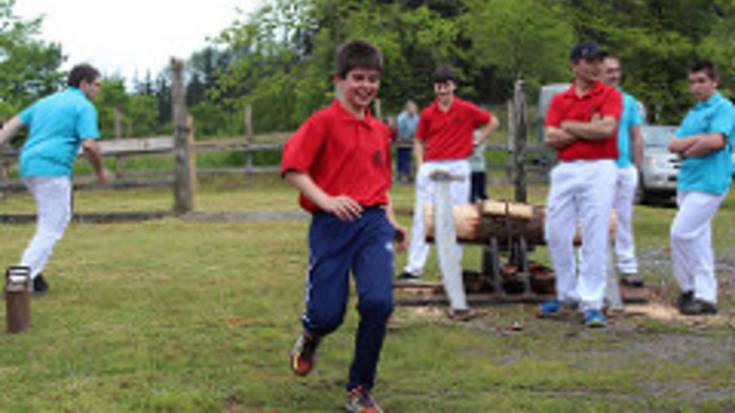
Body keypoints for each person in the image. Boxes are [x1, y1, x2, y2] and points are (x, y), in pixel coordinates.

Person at [280, 39, 408, 413]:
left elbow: (380, 185)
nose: (365, 86)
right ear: (339, 79)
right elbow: (293, 169)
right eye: (357, 78)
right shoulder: (322, 123)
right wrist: (328, 201)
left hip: (372, 225)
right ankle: (309, 336)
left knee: (378, 303)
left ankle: (359, 390)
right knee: (327, 314)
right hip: (331, 225)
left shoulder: (380, 131)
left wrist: (392, 221)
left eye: (372, 79)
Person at [398, 65, 498, 319]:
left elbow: (492, 121)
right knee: (424, 215)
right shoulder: (428, 113)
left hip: (458, 165)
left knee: (455, 216)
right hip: (432, 165)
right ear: (435, 88)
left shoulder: (465, 109)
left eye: (446, 84)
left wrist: (477, 140)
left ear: (454, 86)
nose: (442, 89)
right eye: (438, 84)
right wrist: (421, 165)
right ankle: (414, 267)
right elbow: (419, 140)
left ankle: (451, 267)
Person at [0, 63, 109, 293]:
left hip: (28, 165)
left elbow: (10, 127)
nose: (98, 90)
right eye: (97, 85)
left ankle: (34, 275)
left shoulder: (45, 102)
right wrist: (100, 171)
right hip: (51, 168)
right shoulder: (83, 106)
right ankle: (22, 279)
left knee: (52, 220)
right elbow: (89, 145)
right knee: (52, 225)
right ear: (84, 84)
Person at [539, 41, 622, 328]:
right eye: (589, 61)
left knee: (594, 232)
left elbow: (606, 129)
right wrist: (586, 127)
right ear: (574, 65)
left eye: (599, 61)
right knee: (554, 231)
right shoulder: (560, 100)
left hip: (599, 168)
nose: (596, 66)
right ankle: (567, 292)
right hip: (566, 169)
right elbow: (549, 138)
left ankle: (592, 301)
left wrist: (569, 126)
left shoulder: (609, 95)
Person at [668, 61, 735, 316]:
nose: (696, 87)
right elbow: (674, 145)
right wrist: (698, 142)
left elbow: (717, 140)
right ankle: (705, 296)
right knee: (699, 239)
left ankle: (689, 287)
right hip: (688, 180)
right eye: (692, 82)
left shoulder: (724, 108)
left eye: (701, 81)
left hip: (710, 182)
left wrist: (692, 147)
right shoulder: (694, 112)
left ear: (714, 82)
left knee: (680, 233)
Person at [599, 55, 645, 287]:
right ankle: (595, 267)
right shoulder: (591, 99)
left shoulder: (628, 101)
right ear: (599, 73)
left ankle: (628, 268)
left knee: (624, 218)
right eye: (609, 71)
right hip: (598, 168)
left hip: (623, 167)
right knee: (595, 218)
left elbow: (636, 136)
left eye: (617, 70)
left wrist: (636, 169)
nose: (614, 75)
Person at [395, 100, 419, 183]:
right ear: (407, 109)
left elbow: (418, 128)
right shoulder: (402, 118)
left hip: (412, 140)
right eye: (412, 108)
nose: (414, 110)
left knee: (410, 157)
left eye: (415, 109)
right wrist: (401, 139)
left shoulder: (416, 117)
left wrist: (415, 138)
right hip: (402, 140)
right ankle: (402, 175)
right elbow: (399, 129)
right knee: (403, 156)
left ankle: (409, 174)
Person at [468, 130, 489, 203]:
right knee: (482, 193)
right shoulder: (482, 134)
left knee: (471, 194)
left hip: (470, 168)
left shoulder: (467, 133)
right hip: (481, 168)